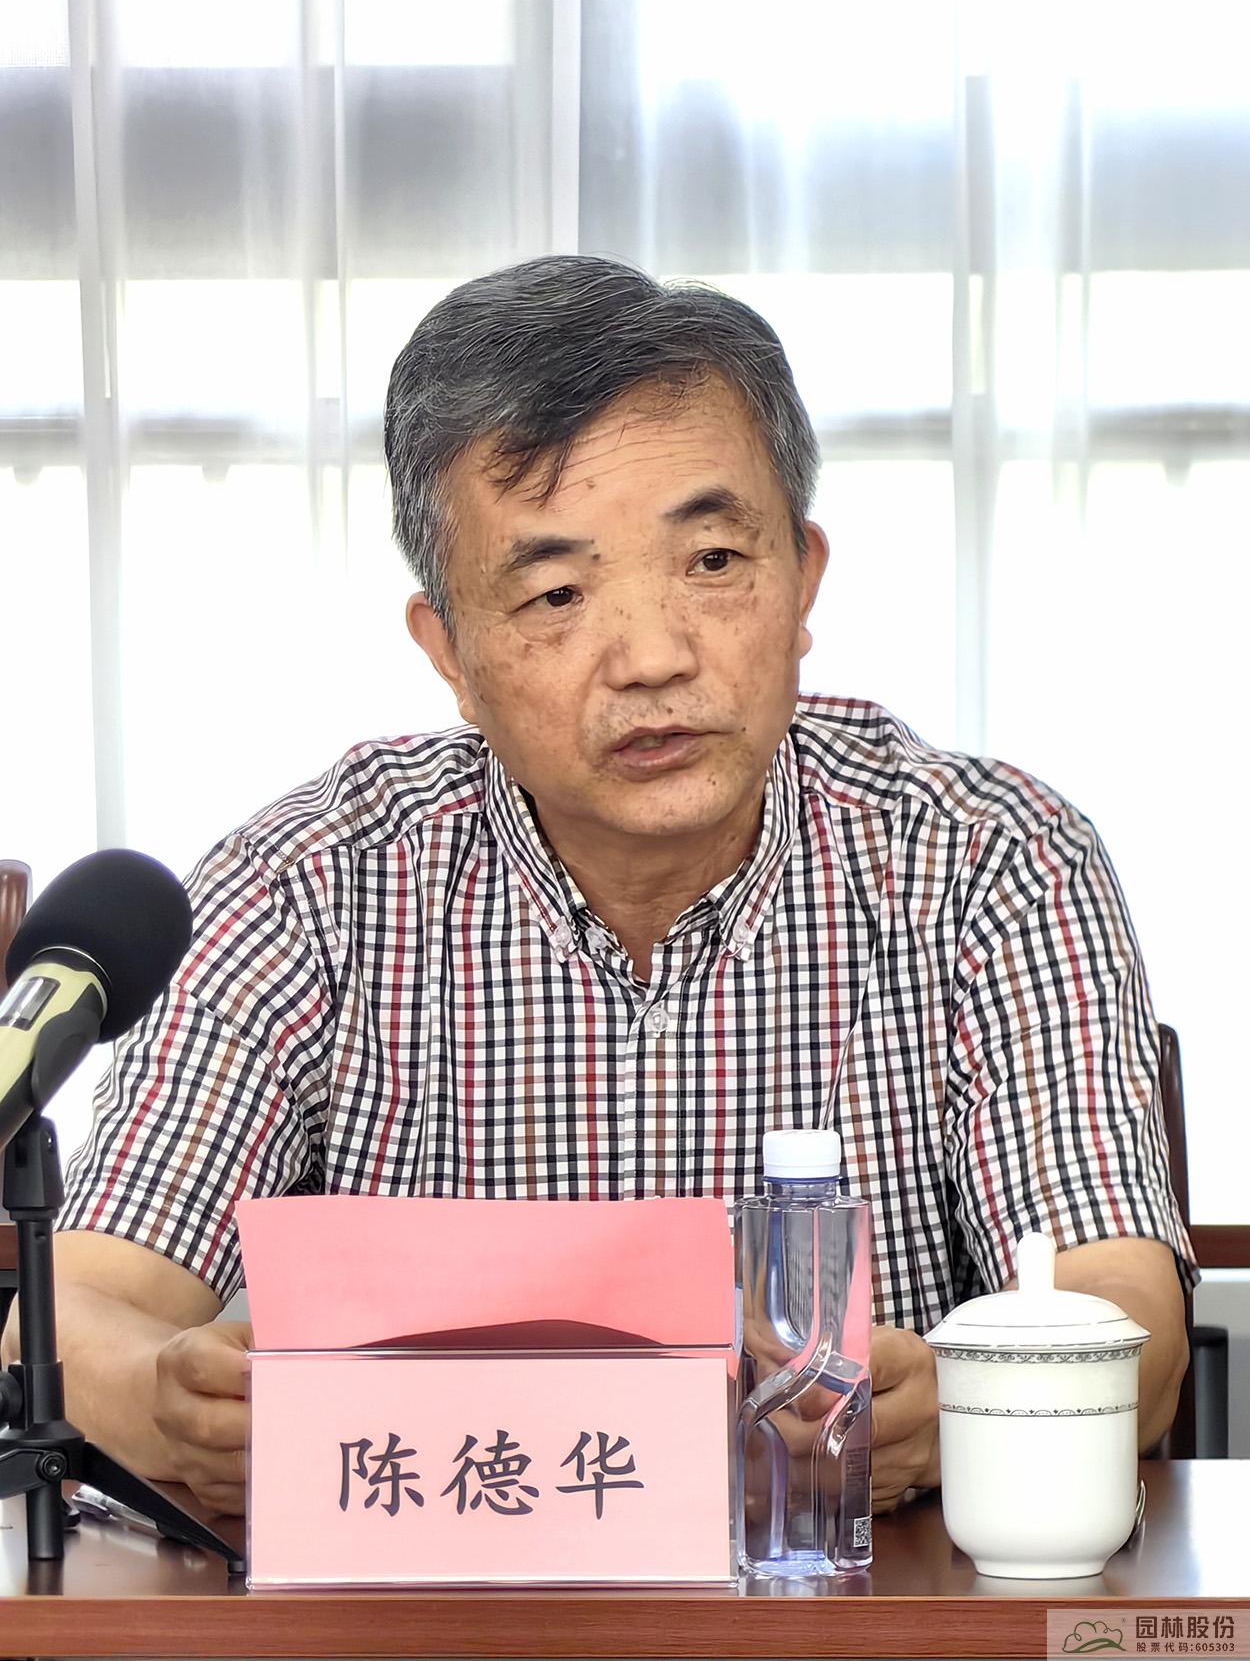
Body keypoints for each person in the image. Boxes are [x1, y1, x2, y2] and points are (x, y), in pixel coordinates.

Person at [2, 255, 1193, 1520]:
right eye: (557, 593)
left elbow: (1127, 1323)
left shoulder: (988, 860)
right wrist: (175, 1405)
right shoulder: (311, 886)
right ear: (448, 651)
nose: (653, 656)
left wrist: (953, 1407)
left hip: (849, 1595)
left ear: (803, 580)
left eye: (712, 560)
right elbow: (75, 1309)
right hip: (435, 1608)